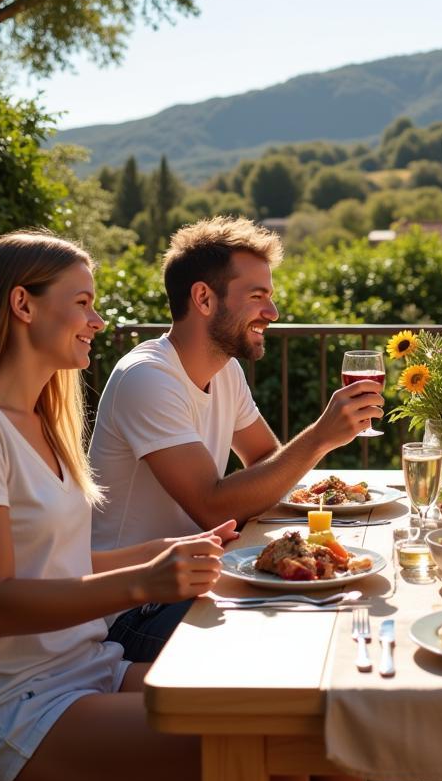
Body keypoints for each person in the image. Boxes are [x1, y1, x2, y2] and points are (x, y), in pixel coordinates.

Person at [0, 230, 309, 781]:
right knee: (268, 748)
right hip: (22, 710)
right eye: (81, 303)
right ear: (22, 305)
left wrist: (163, 555)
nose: (98, 320)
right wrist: (141, 582)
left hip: (88, 670)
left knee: (296, 710)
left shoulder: (44, 423)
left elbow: (61, 563)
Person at [90, 216, 384, 662]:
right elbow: (211, 504)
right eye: (257, 297)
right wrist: (321, 437)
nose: (273, 312)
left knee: (332, 596)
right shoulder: (147, 377)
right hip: (131, 615)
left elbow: (266, 457)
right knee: (303, 621)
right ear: (204, 298)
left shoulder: (225, 370)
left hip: (190, 580)